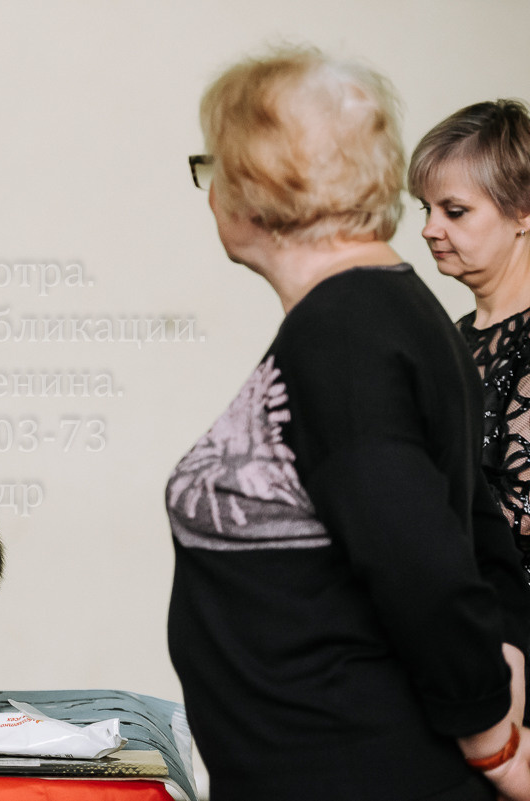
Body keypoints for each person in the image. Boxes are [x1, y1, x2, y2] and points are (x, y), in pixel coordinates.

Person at [167, 46, 530, 800]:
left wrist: (494, 742)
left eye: (215, 167)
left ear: (262, 184)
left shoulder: (347, 333)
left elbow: (423, 565)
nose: (211, 194)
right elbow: (480, 534)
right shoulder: (393, 311)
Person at [408, 100, 530, 582]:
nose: (429, 229)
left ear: (523, 211)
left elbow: (521, 512)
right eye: (427, 208)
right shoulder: (453, 337)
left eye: (454, 211)